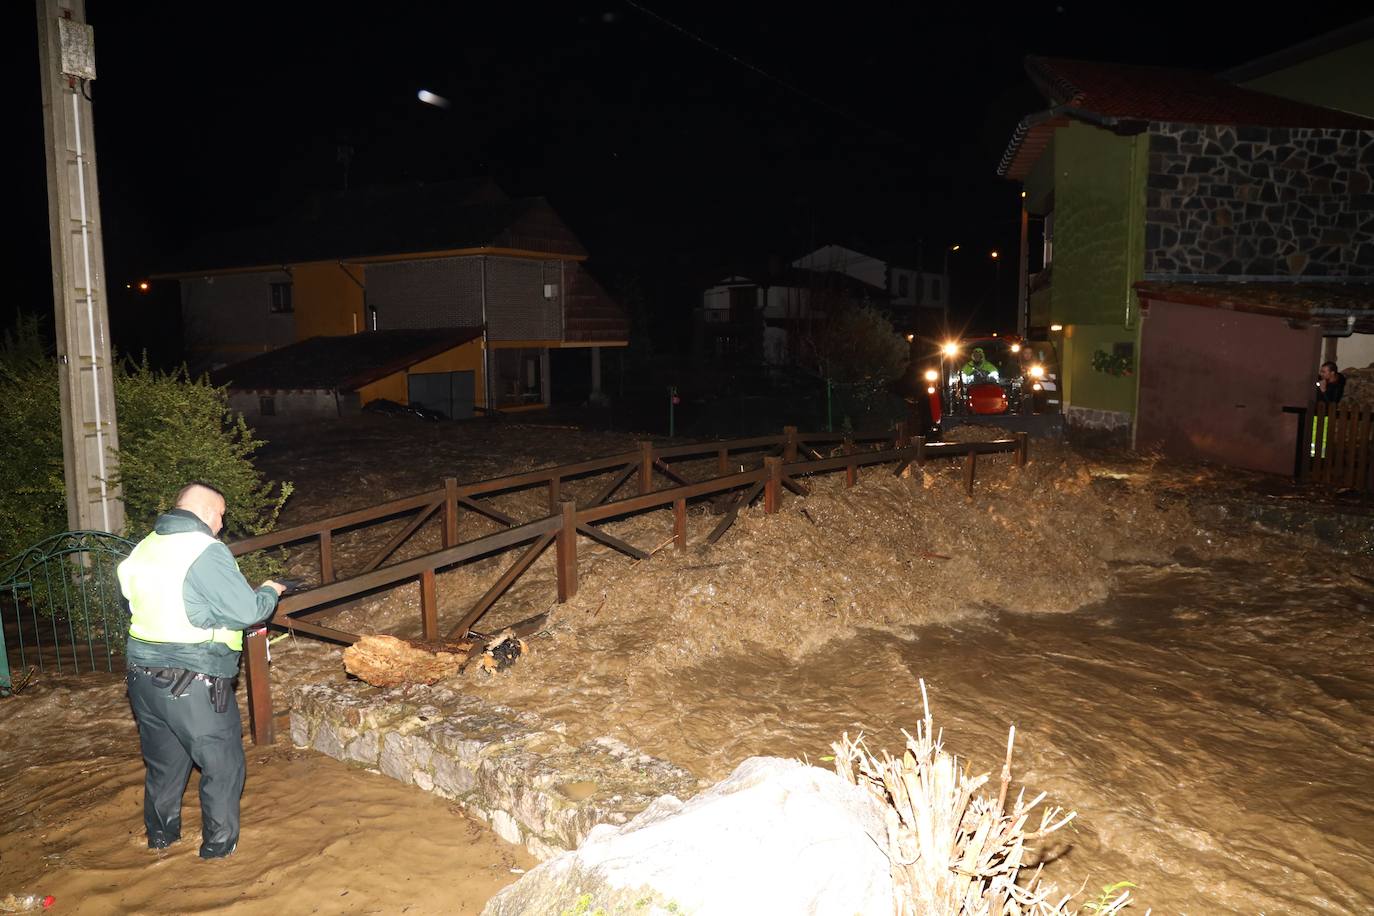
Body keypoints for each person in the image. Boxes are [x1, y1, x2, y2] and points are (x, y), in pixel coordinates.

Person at [118, 482, 285, 859]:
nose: (222, 524)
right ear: (208, 512)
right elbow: (246, 611)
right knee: (222, 767)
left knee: (164, 766)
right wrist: (271, 590)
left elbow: (149, 600)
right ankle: (218, 855)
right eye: (222, 515)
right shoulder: (205, 550)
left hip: (142, 679)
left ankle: (160, 841)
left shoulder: (145, 546)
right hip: (194, 680)